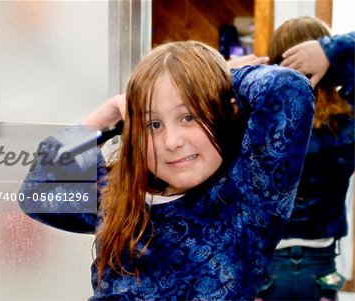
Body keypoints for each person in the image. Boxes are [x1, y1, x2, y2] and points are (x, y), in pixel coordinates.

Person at [19, 40, 315, 300]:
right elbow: (36, 193)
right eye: (153, 124)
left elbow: (288, 90)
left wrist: (215, 77)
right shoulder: (119, 195)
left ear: (226, 113)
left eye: (188, 116)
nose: (172, 142)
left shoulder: (248, 196)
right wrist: (102, 117)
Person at [256, 17, 354, 301]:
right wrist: (329, 50)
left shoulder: (258, 121)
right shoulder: (346, 123)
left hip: (267, 262)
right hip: (321, 261)